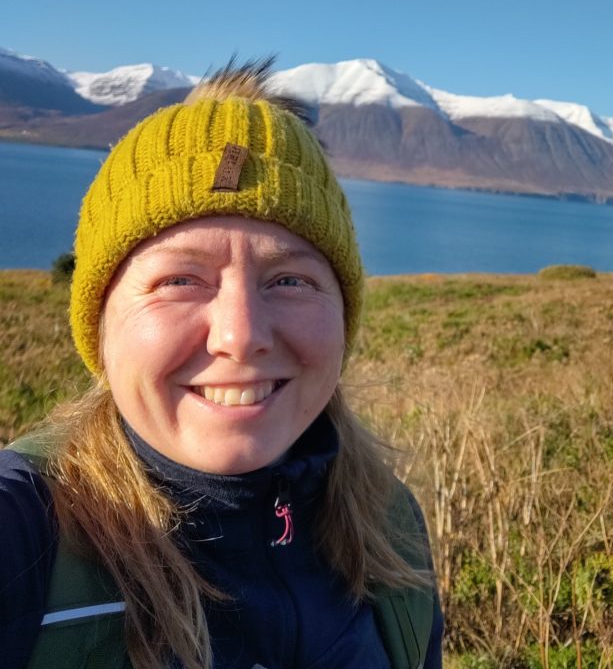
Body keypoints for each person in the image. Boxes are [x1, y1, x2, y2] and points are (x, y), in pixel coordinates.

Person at [0, 58, 443, 669]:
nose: (241, 336)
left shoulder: (391, 528)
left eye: (290, 279)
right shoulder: (25, 533)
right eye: (179, 280)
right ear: (99, 325)